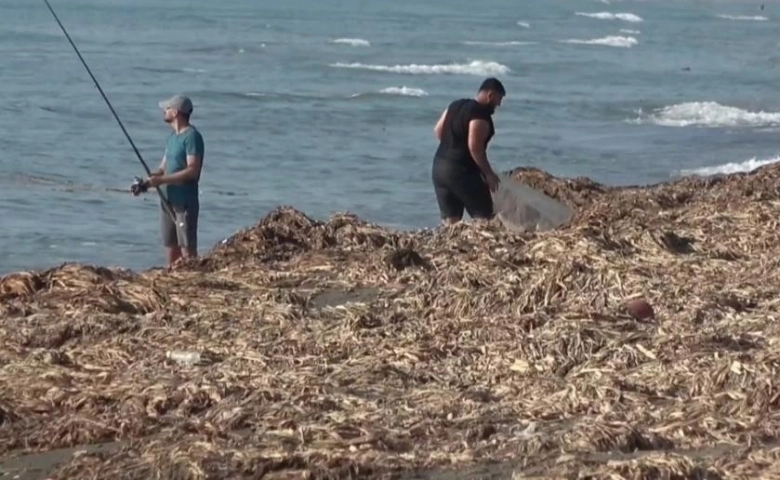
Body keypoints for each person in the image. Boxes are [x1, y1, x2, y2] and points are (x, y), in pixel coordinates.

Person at [132, 94, 205, 267]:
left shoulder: (192, 137)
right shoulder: (172, 138)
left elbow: (192, 171)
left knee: (187, 250)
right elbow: (162, 168)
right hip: (167, 201)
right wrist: (146, 183)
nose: (164, 111)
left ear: (176, 112)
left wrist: (162, 180)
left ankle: (193, 281)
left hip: (184, 202)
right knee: (171, 248)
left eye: (167, 108)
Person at [431, 77, 505, 225]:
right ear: (490, 95)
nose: (499, 104)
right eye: (499, 99)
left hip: (439, 168)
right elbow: (474, 147)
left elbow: (438, 131)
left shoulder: (455, 105)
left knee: (451, 221)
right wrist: (488, 174)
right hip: (461, 172)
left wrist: (453, 148)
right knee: (485, 217)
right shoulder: (480, 115)